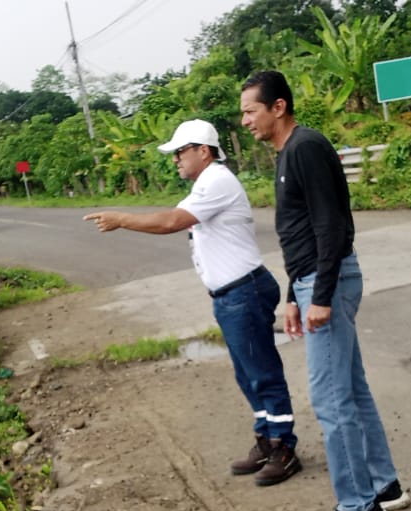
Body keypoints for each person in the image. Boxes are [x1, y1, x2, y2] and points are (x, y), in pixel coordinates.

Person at [239, 71, 411, 511]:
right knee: (351, 390)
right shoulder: (288, 153)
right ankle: (384, 485)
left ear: (278, 107)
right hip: (313, 281)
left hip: (326, 281)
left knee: (331, 399)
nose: (245, 121)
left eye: (251, 111)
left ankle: (358, 506)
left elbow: (331, 226)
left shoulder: (306, 148)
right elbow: (300, 233)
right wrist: (295, 295)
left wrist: (319, 296)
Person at [83, 119, 302, 486]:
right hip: (232, 294)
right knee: (247, 373)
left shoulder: (217, 181)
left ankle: (284, 448)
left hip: (243, 291)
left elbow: (171, 221)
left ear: (204, 151)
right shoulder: (204, 184)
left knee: (262, 372)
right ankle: (267, 438)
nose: (176, 160)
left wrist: (121, 218)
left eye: (180, 152)